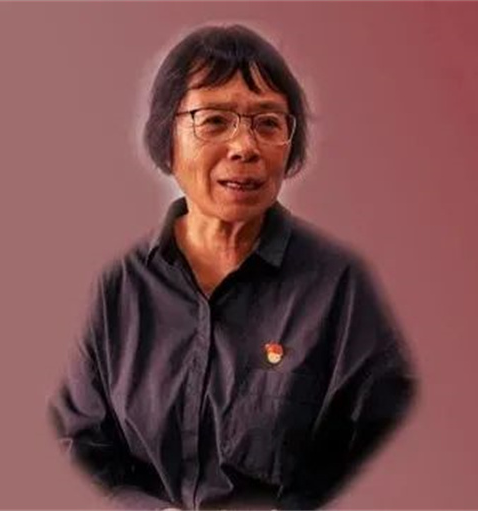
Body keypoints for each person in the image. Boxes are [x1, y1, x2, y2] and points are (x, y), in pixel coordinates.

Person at [48, 24, 417, 510]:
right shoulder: (115, 289)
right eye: (215, 120)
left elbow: (391, 455)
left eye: (268, 122)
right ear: (166, 138)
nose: (245, 146)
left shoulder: (341, 288)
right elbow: (75, 447)